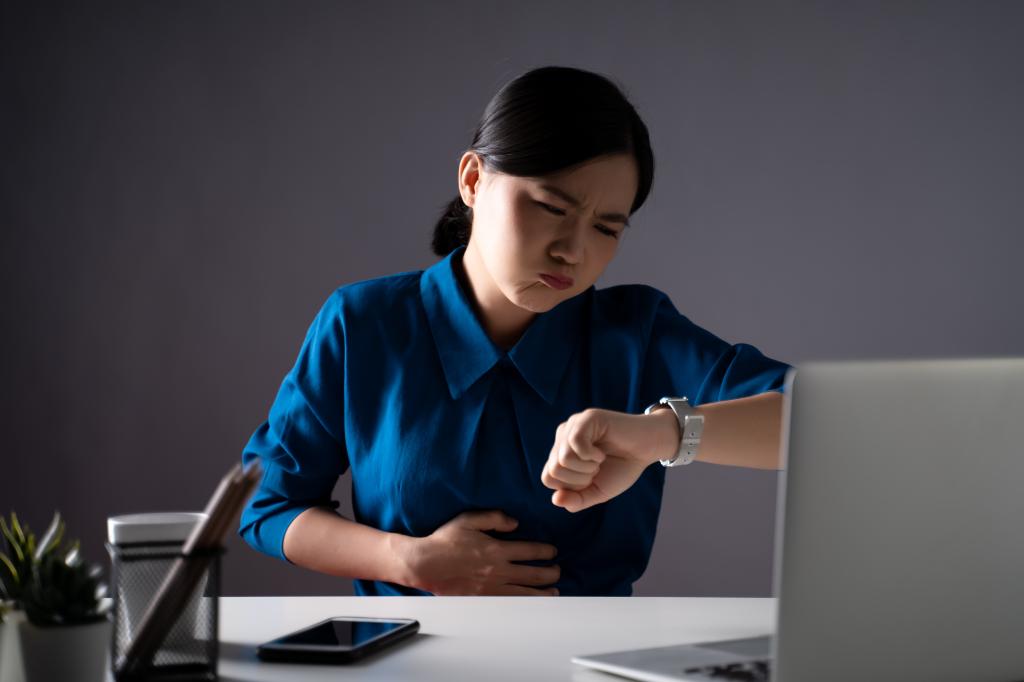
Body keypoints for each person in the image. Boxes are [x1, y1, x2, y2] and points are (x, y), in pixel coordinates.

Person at [238, 65, 790, 597]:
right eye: (552, 207)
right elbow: (266, 504)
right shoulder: (363, 324)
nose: (573, 251)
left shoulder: (636, 332)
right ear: (474, 180)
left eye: (605, 228)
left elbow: (823, 423)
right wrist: (408, 561)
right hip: (400, 660)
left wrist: (661, 435)